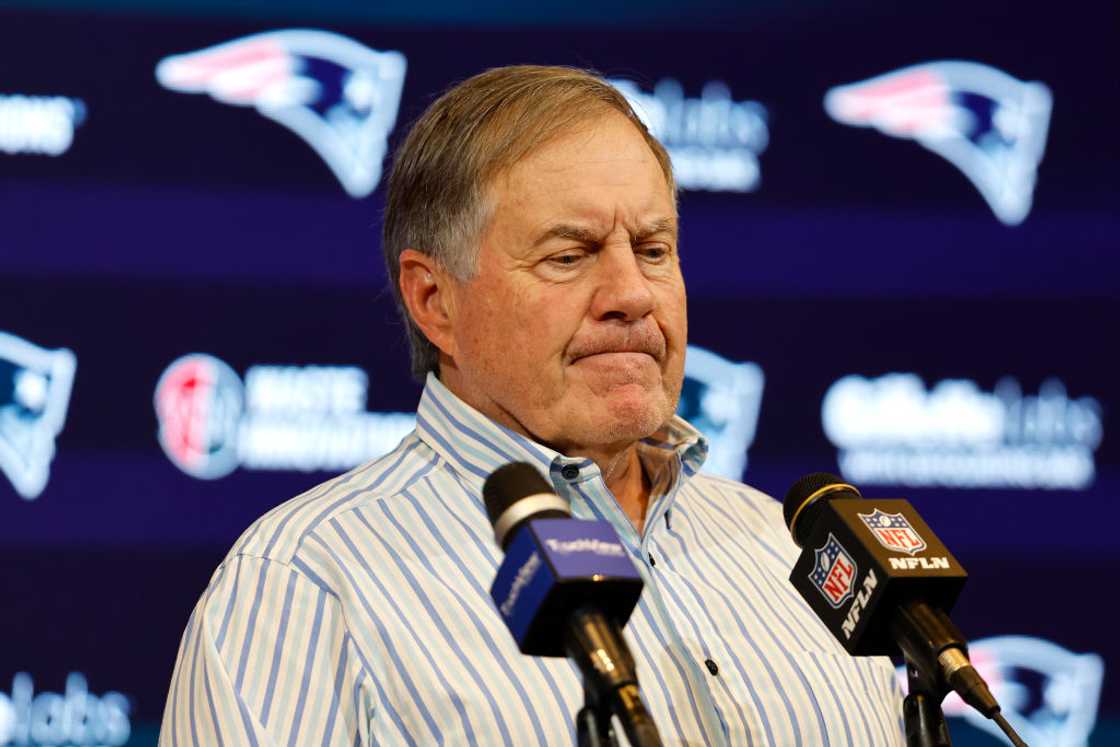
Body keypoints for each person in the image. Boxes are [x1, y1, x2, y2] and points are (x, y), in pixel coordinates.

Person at [160, 65, 904, 746]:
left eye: (653, 249)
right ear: (435, 300)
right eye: (568, 256)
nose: (631, 295)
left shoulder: (791, 553)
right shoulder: (305, 583)